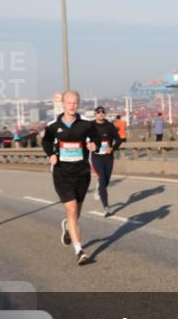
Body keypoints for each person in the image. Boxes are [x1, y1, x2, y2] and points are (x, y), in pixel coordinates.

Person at [41, 91, 101, 265]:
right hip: (62, 173)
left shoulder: (86, 124)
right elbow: (46, 142)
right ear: (63, 104)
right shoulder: (53, 126)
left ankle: (68, 226)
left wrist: (94, 144)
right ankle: (79, 250)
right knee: (72, 208)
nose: (72, 106)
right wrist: (51, 155)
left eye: (75, 103)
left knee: (77, 212)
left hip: (81, 172)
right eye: (69, 103)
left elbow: (96, 138)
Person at [90, 106, 123, 215]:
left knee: (106, 181)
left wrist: (112, 148)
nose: (100, 114)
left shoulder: (109, 126)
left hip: (108, 157)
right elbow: (83, 138)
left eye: (102, 112)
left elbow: (119, 140)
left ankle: (99, 188)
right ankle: (106, 207)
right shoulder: (90, 125)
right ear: (95, 114)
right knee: (102, 178)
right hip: (96, 157)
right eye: (98, 112)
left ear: (105, 114)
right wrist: (88, 145)